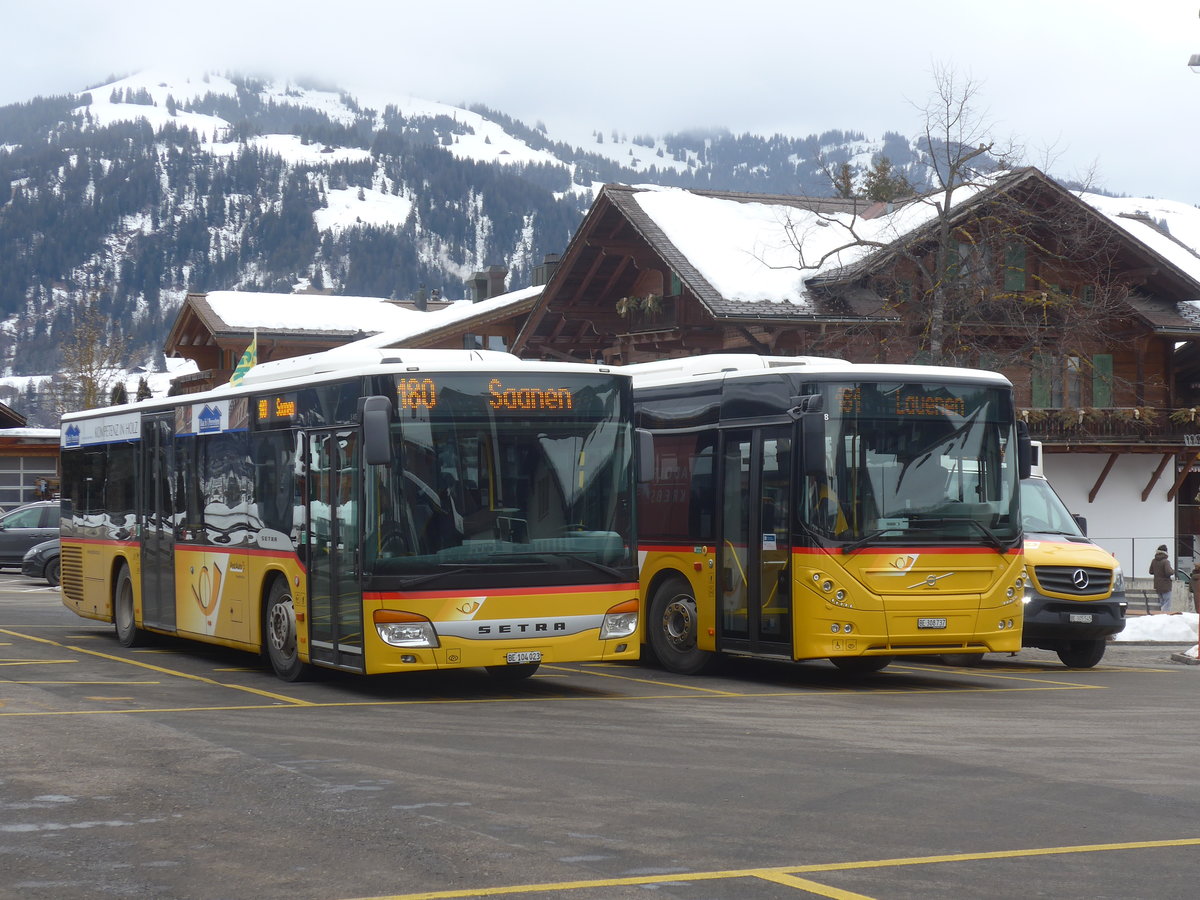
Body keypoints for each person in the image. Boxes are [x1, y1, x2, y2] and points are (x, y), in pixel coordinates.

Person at [1149, 544, 1174, 613]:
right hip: (1166, 586)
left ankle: (1160, 615)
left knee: (1161, 602)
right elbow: (1168, 572)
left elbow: (1151, 571)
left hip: (1157, 585)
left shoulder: (1154, 561)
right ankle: (1164, 616)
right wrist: (1173, 571)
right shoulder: (1166, 561)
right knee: (1167, 603)